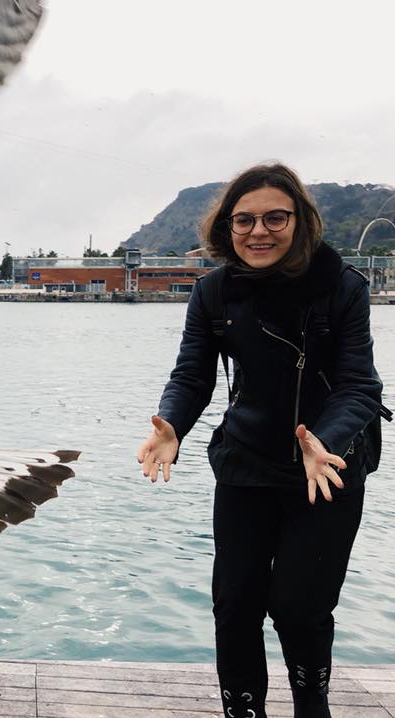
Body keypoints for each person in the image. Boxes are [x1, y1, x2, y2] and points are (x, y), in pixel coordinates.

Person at [137, 163, 387, 718]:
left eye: (275, 217)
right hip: (246, 462)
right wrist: (172, 424)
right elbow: (192, 376)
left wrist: (326, 439)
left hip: (327, 465)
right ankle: (243, 710)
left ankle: (311, 706)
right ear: (227, 227)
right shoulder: (214, 293)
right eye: (243, 220)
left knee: (301, 607)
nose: (258, 231)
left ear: (300, 221)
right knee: (235, 603)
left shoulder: (341, 288)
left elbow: (359, 386)